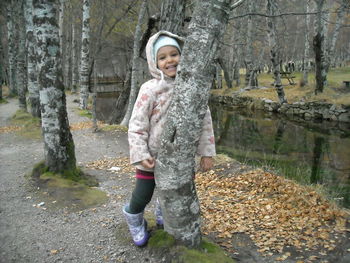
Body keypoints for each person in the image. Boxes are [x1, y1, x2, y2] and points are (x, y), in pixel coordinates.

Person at [122, 31, 216, 246]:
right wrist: (141, 154)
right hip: (152, 158)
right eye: (162, 57)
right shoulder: (150, 89)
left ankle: (165, 213)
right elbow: (137, 125)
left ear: (183, 56)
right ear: (154, 62)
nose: (169, 60)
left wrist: (207, 153)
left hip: (181, 157)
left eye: (174, 54)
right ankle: (133, 217)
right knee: (143, 194)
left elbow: (205, 121)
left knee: (176, 190)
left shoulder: (192, 88)